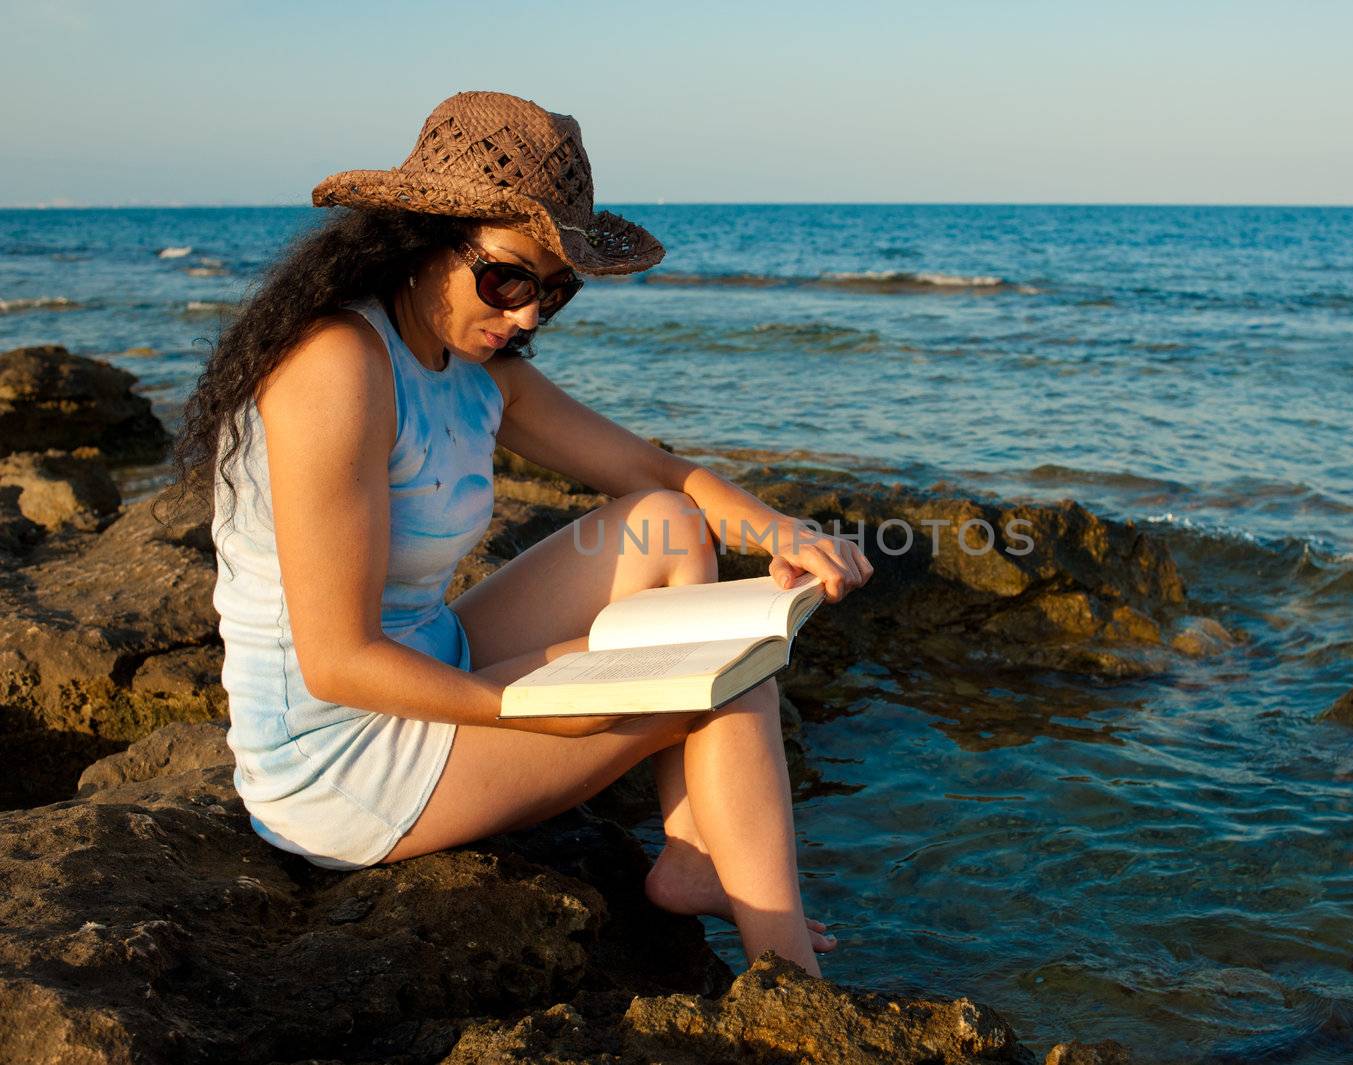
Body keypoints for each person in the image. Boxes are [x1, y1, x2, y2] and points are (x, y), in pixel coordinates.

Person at [157, 91, 872, 977]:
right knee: (727, 670)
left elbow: (654, 474)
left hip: (436, 659)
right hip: (340, 755)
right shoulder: (338, 364)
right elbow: (336, 661)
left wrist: (780, 530)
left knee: (665, 528)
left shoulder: (475, 364)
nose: (530, 314)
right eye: (510, 279)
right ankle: (790, 973)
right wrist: (544, 712)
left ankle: (692, 854)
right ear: (423, 235)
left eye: (556, 290)